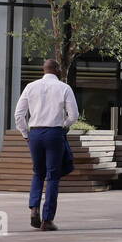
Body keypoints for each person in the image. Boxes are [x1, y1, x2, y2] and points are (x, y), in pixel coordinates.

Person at [13, 58, 78, 232]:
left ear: (43, 70)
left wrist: (26, 134)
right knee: (52, 176)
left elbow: (18, 115)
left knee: (37, 172)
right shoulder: (64, 88)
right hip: (54, 133)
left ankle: (34, 208)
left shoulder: (30, 87)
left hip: (35, 133)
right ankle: (47, 220)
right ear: (57, 69)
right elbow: (74, 115)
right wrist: (63, 126)